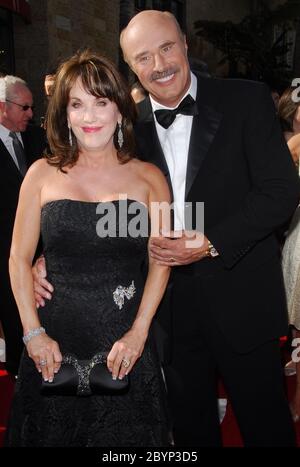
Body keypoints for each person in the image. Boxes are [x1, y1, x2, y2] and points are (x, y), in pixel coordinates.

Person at [33, 11, 300, 446]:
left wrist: (211, 243)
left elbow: (279, 192)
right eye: (143, 57)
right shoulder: (125, 125)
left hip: (242, 299)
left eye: (166, 47)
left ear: (185, 44)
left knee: (266, 424)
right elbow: (113, 211)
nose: (159, 64)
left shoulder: (245, 100)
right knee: (190, 430)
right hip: (165, 311)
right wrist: (56, 257)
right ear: (131, 68)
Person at [6, 49, 171, 447]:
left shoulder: (149, 178)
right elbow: (17, 258)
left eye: (101, 102)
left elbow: (161, 261)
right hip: (53, 344)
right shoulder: (40, 174)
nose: (90, 116)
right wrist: (33, 335)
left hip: (124, 343)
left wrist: (139, 333)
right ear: (63, 113)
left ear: (119, 109)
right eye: (77, 104)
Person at [0, 75, 46, 376]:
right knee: (12, 312)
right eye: (24, 107)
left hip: (43, 248)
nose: (31, 113)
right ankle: (20, 374)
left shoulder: (38, 138)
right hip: (4, 251)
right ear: (2, 108)